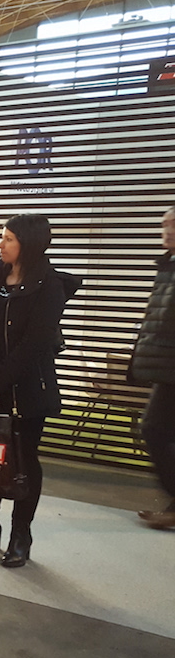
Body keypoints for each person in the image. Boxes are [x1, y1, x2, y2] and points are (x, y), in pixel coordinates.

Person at [0, 214, 80, 568]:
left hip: (28, 387)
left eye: (8, 239)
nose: (0, 245)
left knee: (24, 460)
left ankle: (20, 534)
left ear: (28, 244)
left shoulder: (50, 285)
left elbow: (36, 342)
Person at [134, 207, 175, 529]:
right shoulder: (168, 265)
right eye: (165, 224)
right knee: (156, 430)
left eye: (174, 225)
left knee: (153, 428)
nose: (168, 230)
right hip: (167, 366)